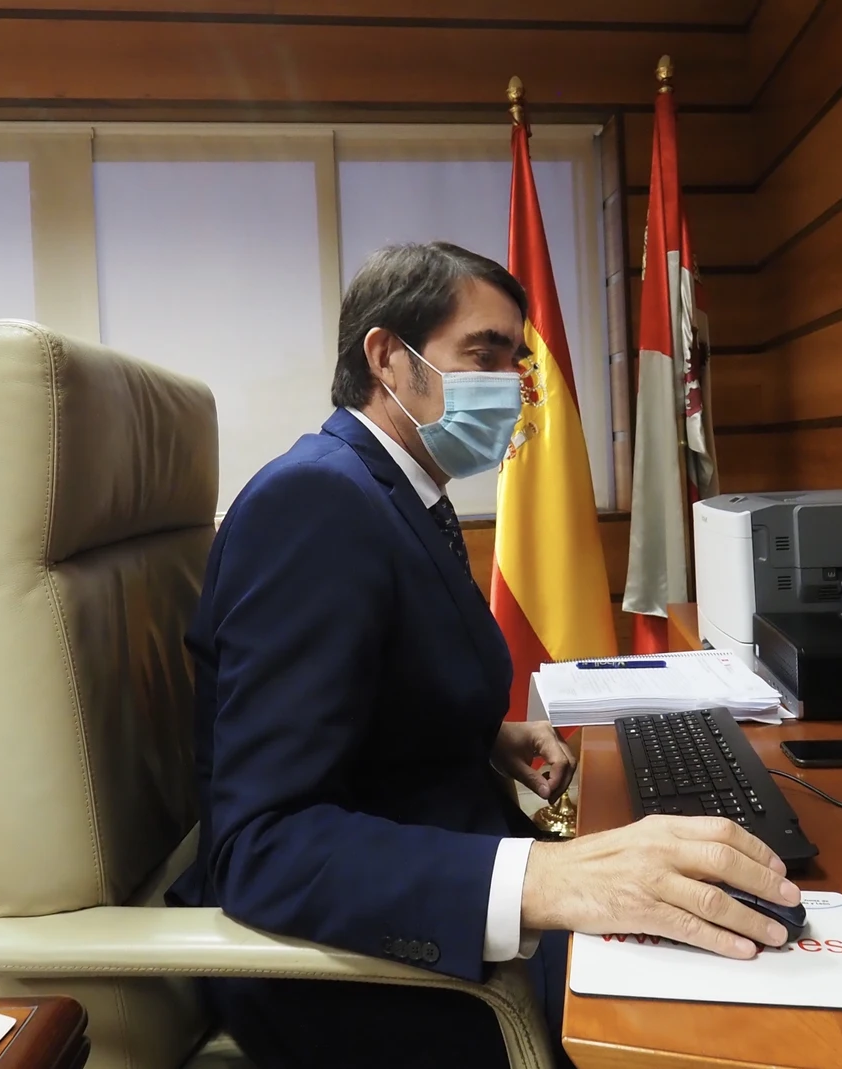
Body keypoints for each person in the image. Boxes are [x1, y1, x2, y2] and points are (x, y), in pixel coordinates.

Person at [168, 243, 802, 1069]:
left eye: (516, 358)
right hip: (362, 975)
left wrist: (482, 734)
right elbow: (266, 845)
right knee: (725, 1032)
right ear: (389, 357)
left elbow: (366, 688)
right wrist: (549, 879)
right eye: (484, 353)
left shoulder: (399, 490)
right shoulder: (314, 501)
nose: (512, 384)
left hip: (437, 887)